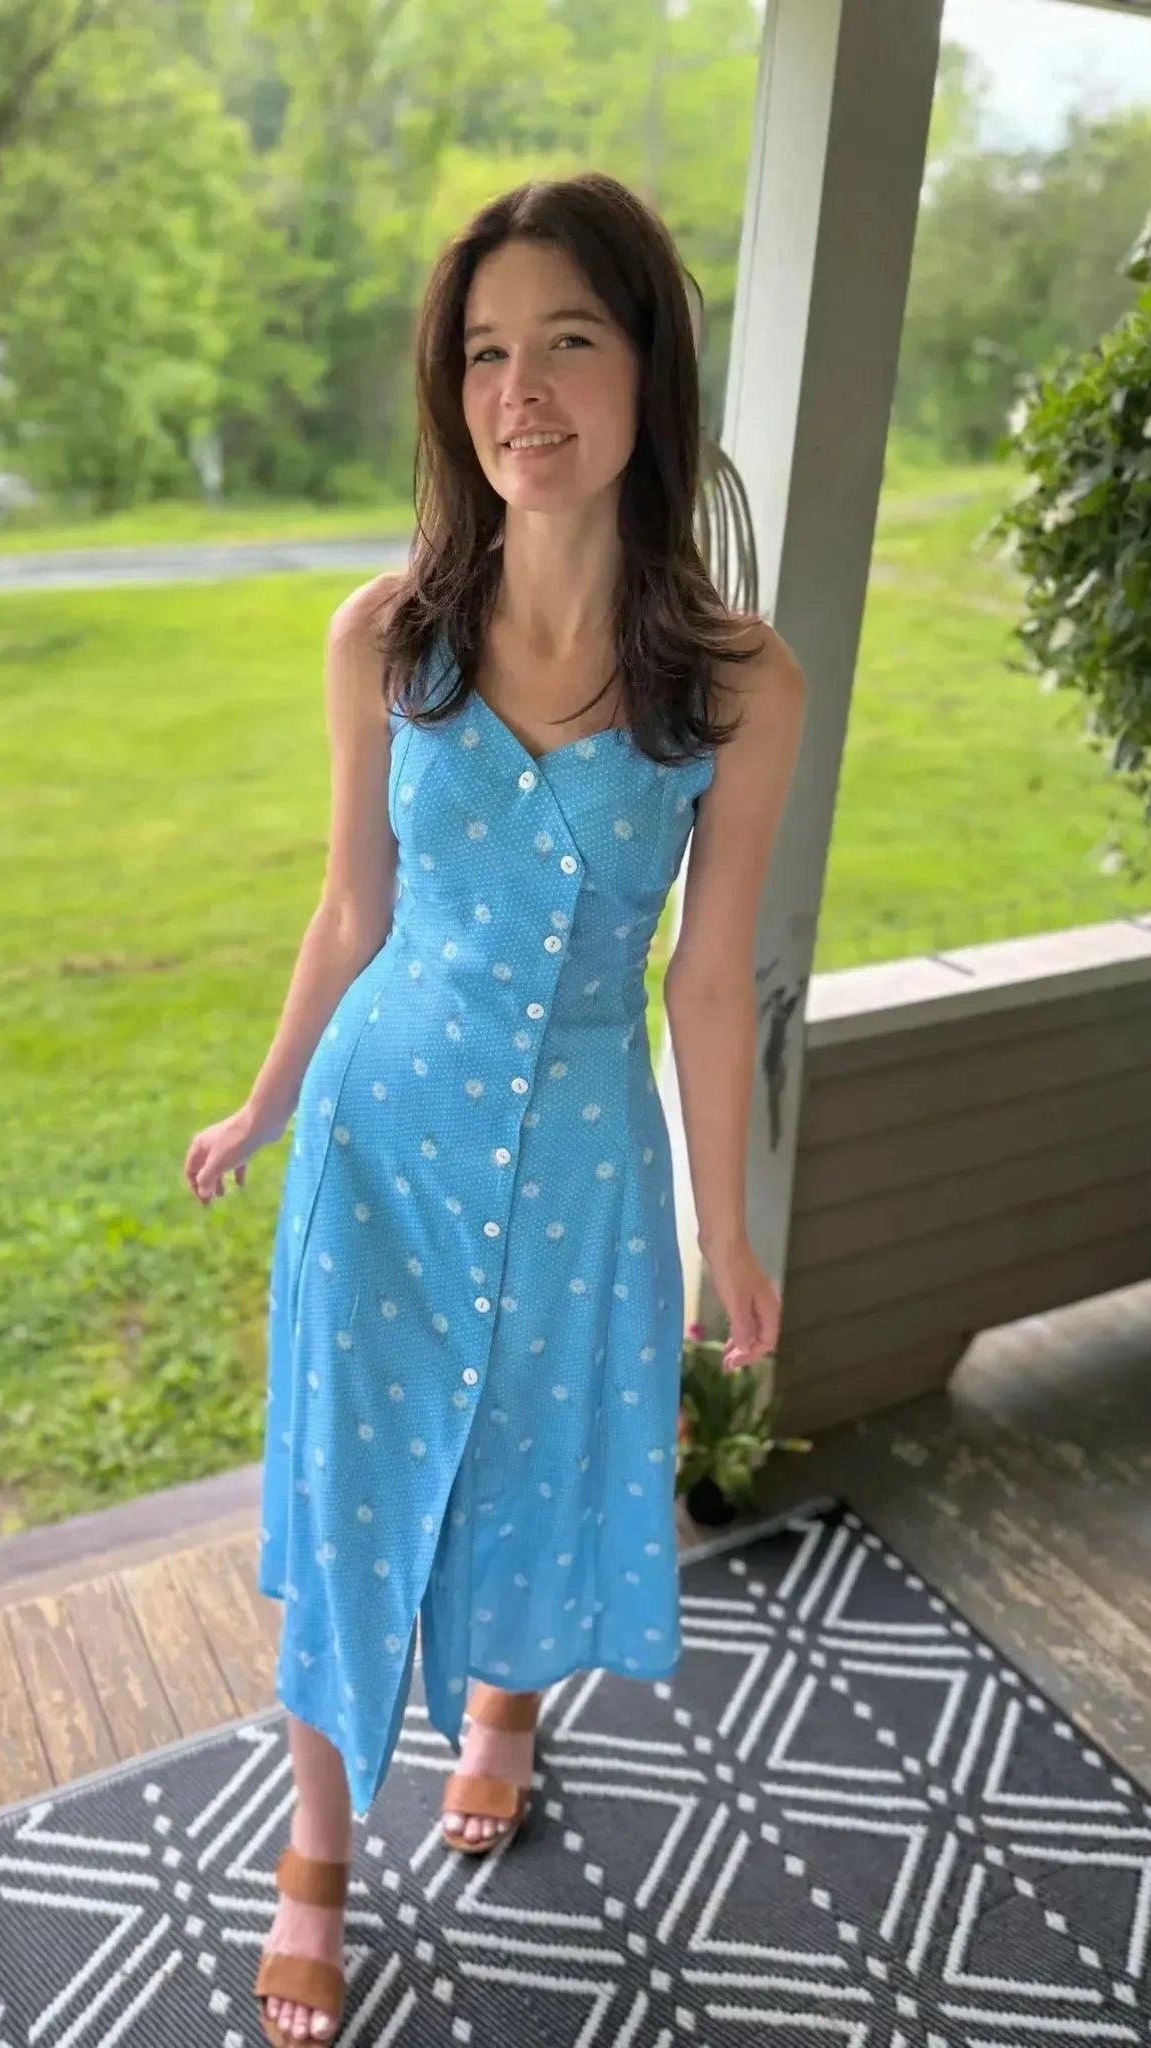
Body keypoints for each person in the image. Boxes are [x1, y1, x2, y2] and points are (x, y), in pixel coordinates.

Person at [183, 168, 805, 2048]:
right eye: (482, 355)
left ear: (648, 370)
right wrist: (265, 1103)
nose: (519, 393)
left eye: (567, 342)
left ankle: (508, 1708)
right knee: (351, 1489)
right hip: (378, 1147)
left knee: (537, 1461)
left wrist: (727, 1224)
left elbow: (709, 979)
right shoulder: (387, 635)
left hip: (581, 1170)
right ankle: (313, 1859)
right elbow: (350, 913)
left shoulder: (737, 681)